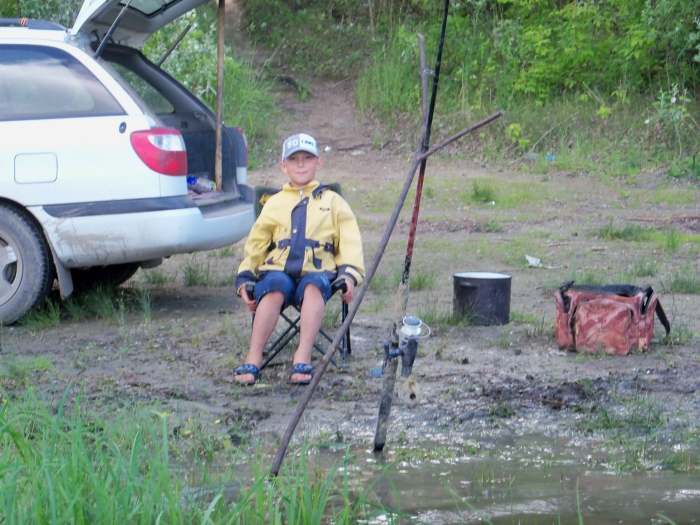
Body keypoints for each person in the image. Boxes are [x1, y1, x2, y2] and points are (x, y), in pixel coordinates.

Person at [233, 133, 365, 385]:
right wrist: (245, 278)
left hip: (318, 273)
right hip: (277, 272)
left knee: (315, 286)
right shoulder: (273, 203)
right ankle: (254, 355)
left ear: (319, 163)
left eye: (307, 158)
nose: (301, 165)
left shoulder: (333, 201)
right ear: (283, 167)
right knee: (274, 287)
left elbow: (349, 241)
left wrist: (349, 274)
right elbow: (256, 244)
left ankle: (302, 355)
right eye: (294, 160)